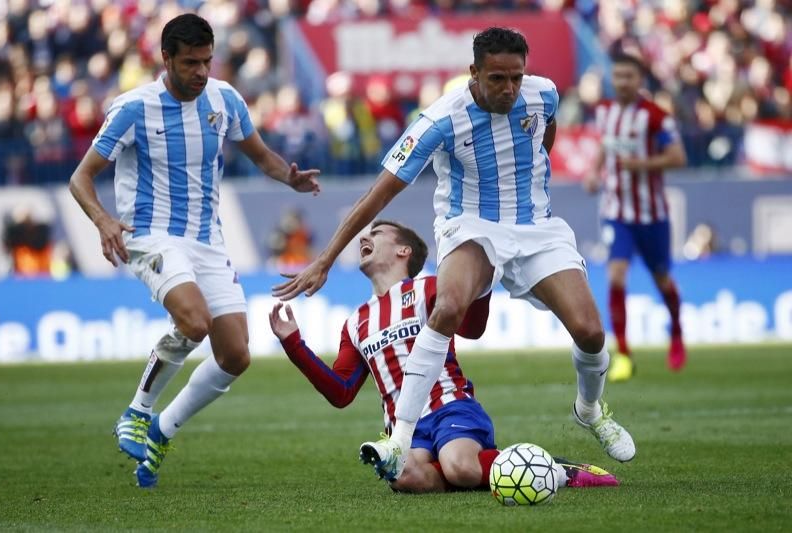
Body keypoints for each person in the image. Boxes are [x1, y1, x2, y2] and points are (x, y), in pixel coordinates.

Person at [272, 27, 635, 483]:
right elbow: (376, 196)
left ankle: (589, 409)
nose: (508, 88)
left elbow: (546, 131)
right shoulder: (439, 120)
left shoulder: (544, 95)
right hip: (471, 226)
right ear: (474, 73)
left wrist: (531, 175)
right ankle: (399, 439)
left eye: (515, 78)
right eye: (497, 78)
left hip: (536, 227)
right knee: (445, 308)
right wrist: (324, 260)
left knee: (589, 330)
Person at [67, 13, 320, 488]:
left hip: (207, 238)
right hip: (151, 233)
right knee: (194, 322)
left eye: (206, 60)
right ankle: (138, 411)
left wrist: (291, 177)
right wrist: (103, 220)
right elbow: (81, 176)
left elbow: (260, 154)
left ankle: (163, 428)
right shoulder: (133, 108)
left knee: (236, 355)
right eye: (190, 63)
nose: (201, 71)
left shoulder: (225, 99)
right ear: (166, 59)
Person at [269, 220, 619, 492]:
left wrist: (482, 280)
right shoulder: (355, 322)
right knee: (404, 478)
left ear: (404, 250)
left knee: (460, 467)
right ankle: (502, 469)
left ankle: (553, 470)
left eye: (377, 233)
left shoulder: (431, 287)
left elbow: (472, 328)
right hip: (405, 431)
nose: (365, 237)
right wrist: (293, 344)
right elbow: (341, 391)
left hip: (450, 405)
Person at [583, 52, 688, 382]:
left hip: (652, 215)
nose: (623, 82)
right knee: (615, 275)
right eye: (618, 76)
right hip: (617, 213)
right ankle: (624, 354)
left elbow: (678, 157)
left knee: (662, 280)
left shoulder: (655, 117)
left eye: (629, 76)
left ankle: (676, 332)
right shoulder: (605, 111)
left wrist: (642, 165)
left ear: (640, 79)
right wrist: (594, 170)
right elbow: (605, 145)